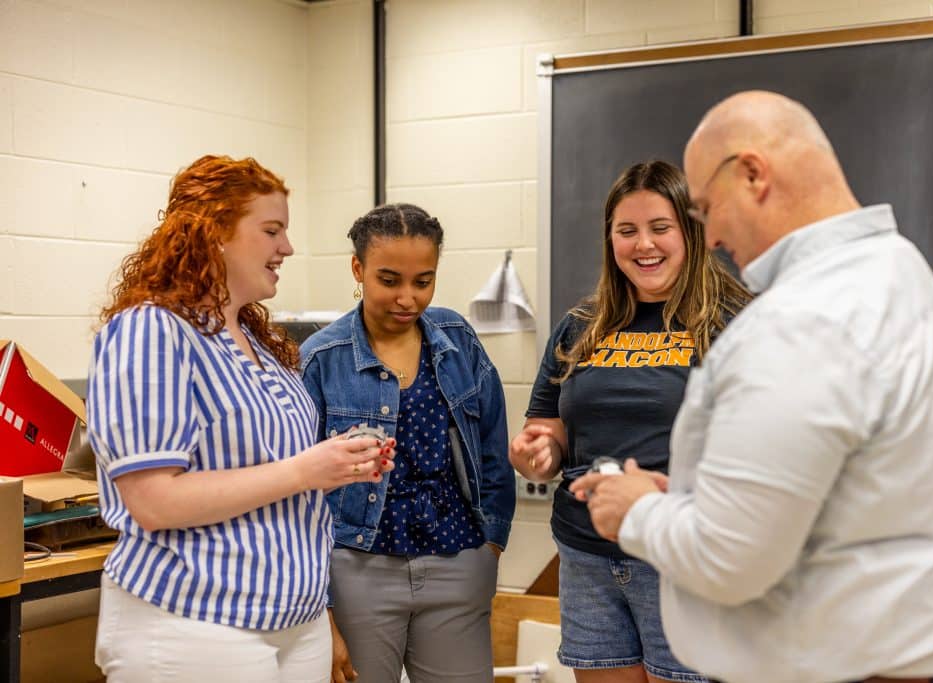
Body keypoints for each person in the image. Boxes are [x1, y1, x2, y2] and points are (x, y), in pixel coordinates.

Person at [571, 91, 933, 683]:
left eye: (704, 208)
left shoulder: (803, 319)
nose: (710, 234)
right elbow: (841, 492)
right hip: (920, 652)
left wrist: (637, 509)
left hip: (851, 666)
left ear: (752, 173)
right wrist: (693, 500)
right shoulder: (896, 269)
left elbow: (729, 560)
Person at [87, 154, 392, 683]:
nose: (287, 248)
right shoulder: (150, 331)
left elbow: (275, 477)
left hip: (295, 619)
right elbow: (154, 501)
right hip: (196, 620)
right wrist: (305, 471)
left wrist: (337, 464)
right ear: (214, 235)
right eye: (271, 230)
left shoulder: (258, 343)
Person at [509, 160, 750, 683]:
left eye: (660, 228)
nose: (644, 245)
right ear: (610, 239)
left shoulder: (736, 321)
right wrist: (538, 452)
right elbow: (547, 432)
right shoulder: (581, 327)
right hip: (586, 557)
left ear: (690, 231)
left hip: (681, 557)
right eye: (627, 231)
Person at [299, 203, 516, 683]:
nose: (407, 298)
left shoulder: (458, 339)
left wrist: (490, 547)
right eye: (389, 280)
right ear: (358, 269)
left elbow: (493, 451)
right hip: (357, 568)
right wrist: (325, 606)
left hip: (458, 562)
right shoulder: (321, 359)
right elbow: (301, 492)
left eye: (423, 281)